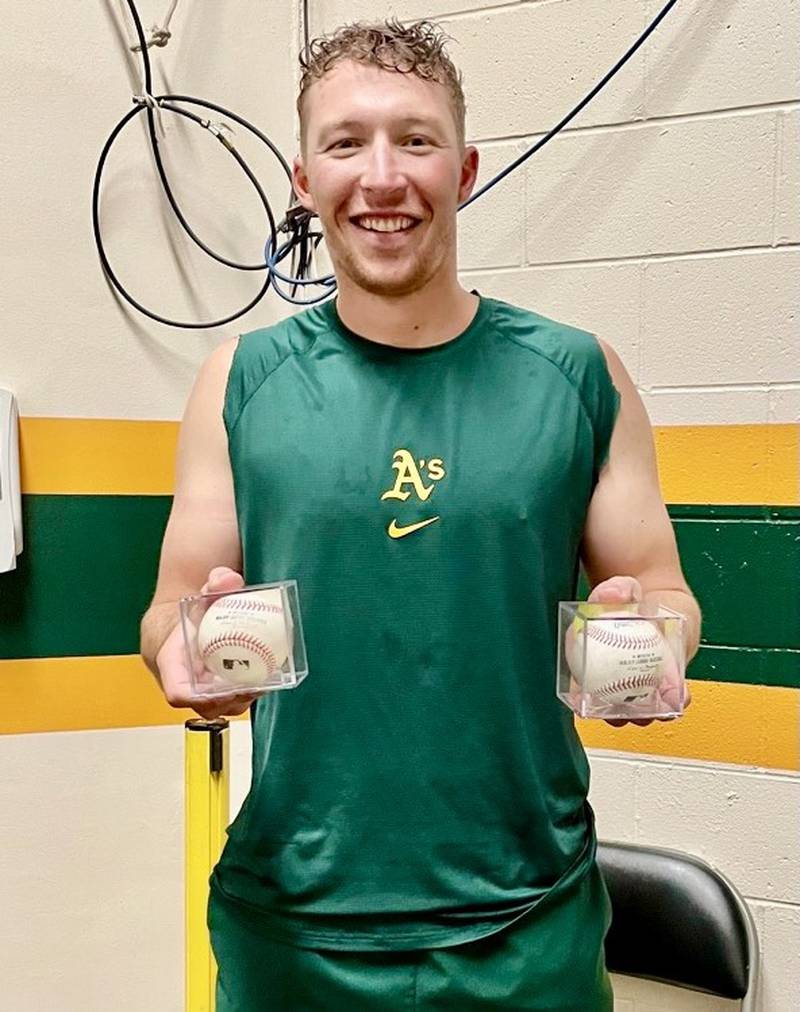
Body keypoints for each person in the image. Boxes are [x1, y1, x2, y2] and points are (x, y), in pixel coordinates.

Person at [141, 19, 701, 1011]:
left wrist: (649, 636)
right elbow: (172, 602)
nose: (383, 176)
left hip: (524, 921)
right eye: (346, 143)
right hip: (294, 930)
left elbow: (662, 588)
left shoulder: (575, 373)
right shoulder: (240, 379)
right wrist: (179, 652)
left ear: (466, 168)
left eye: (415, 139)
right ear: (304, 181)